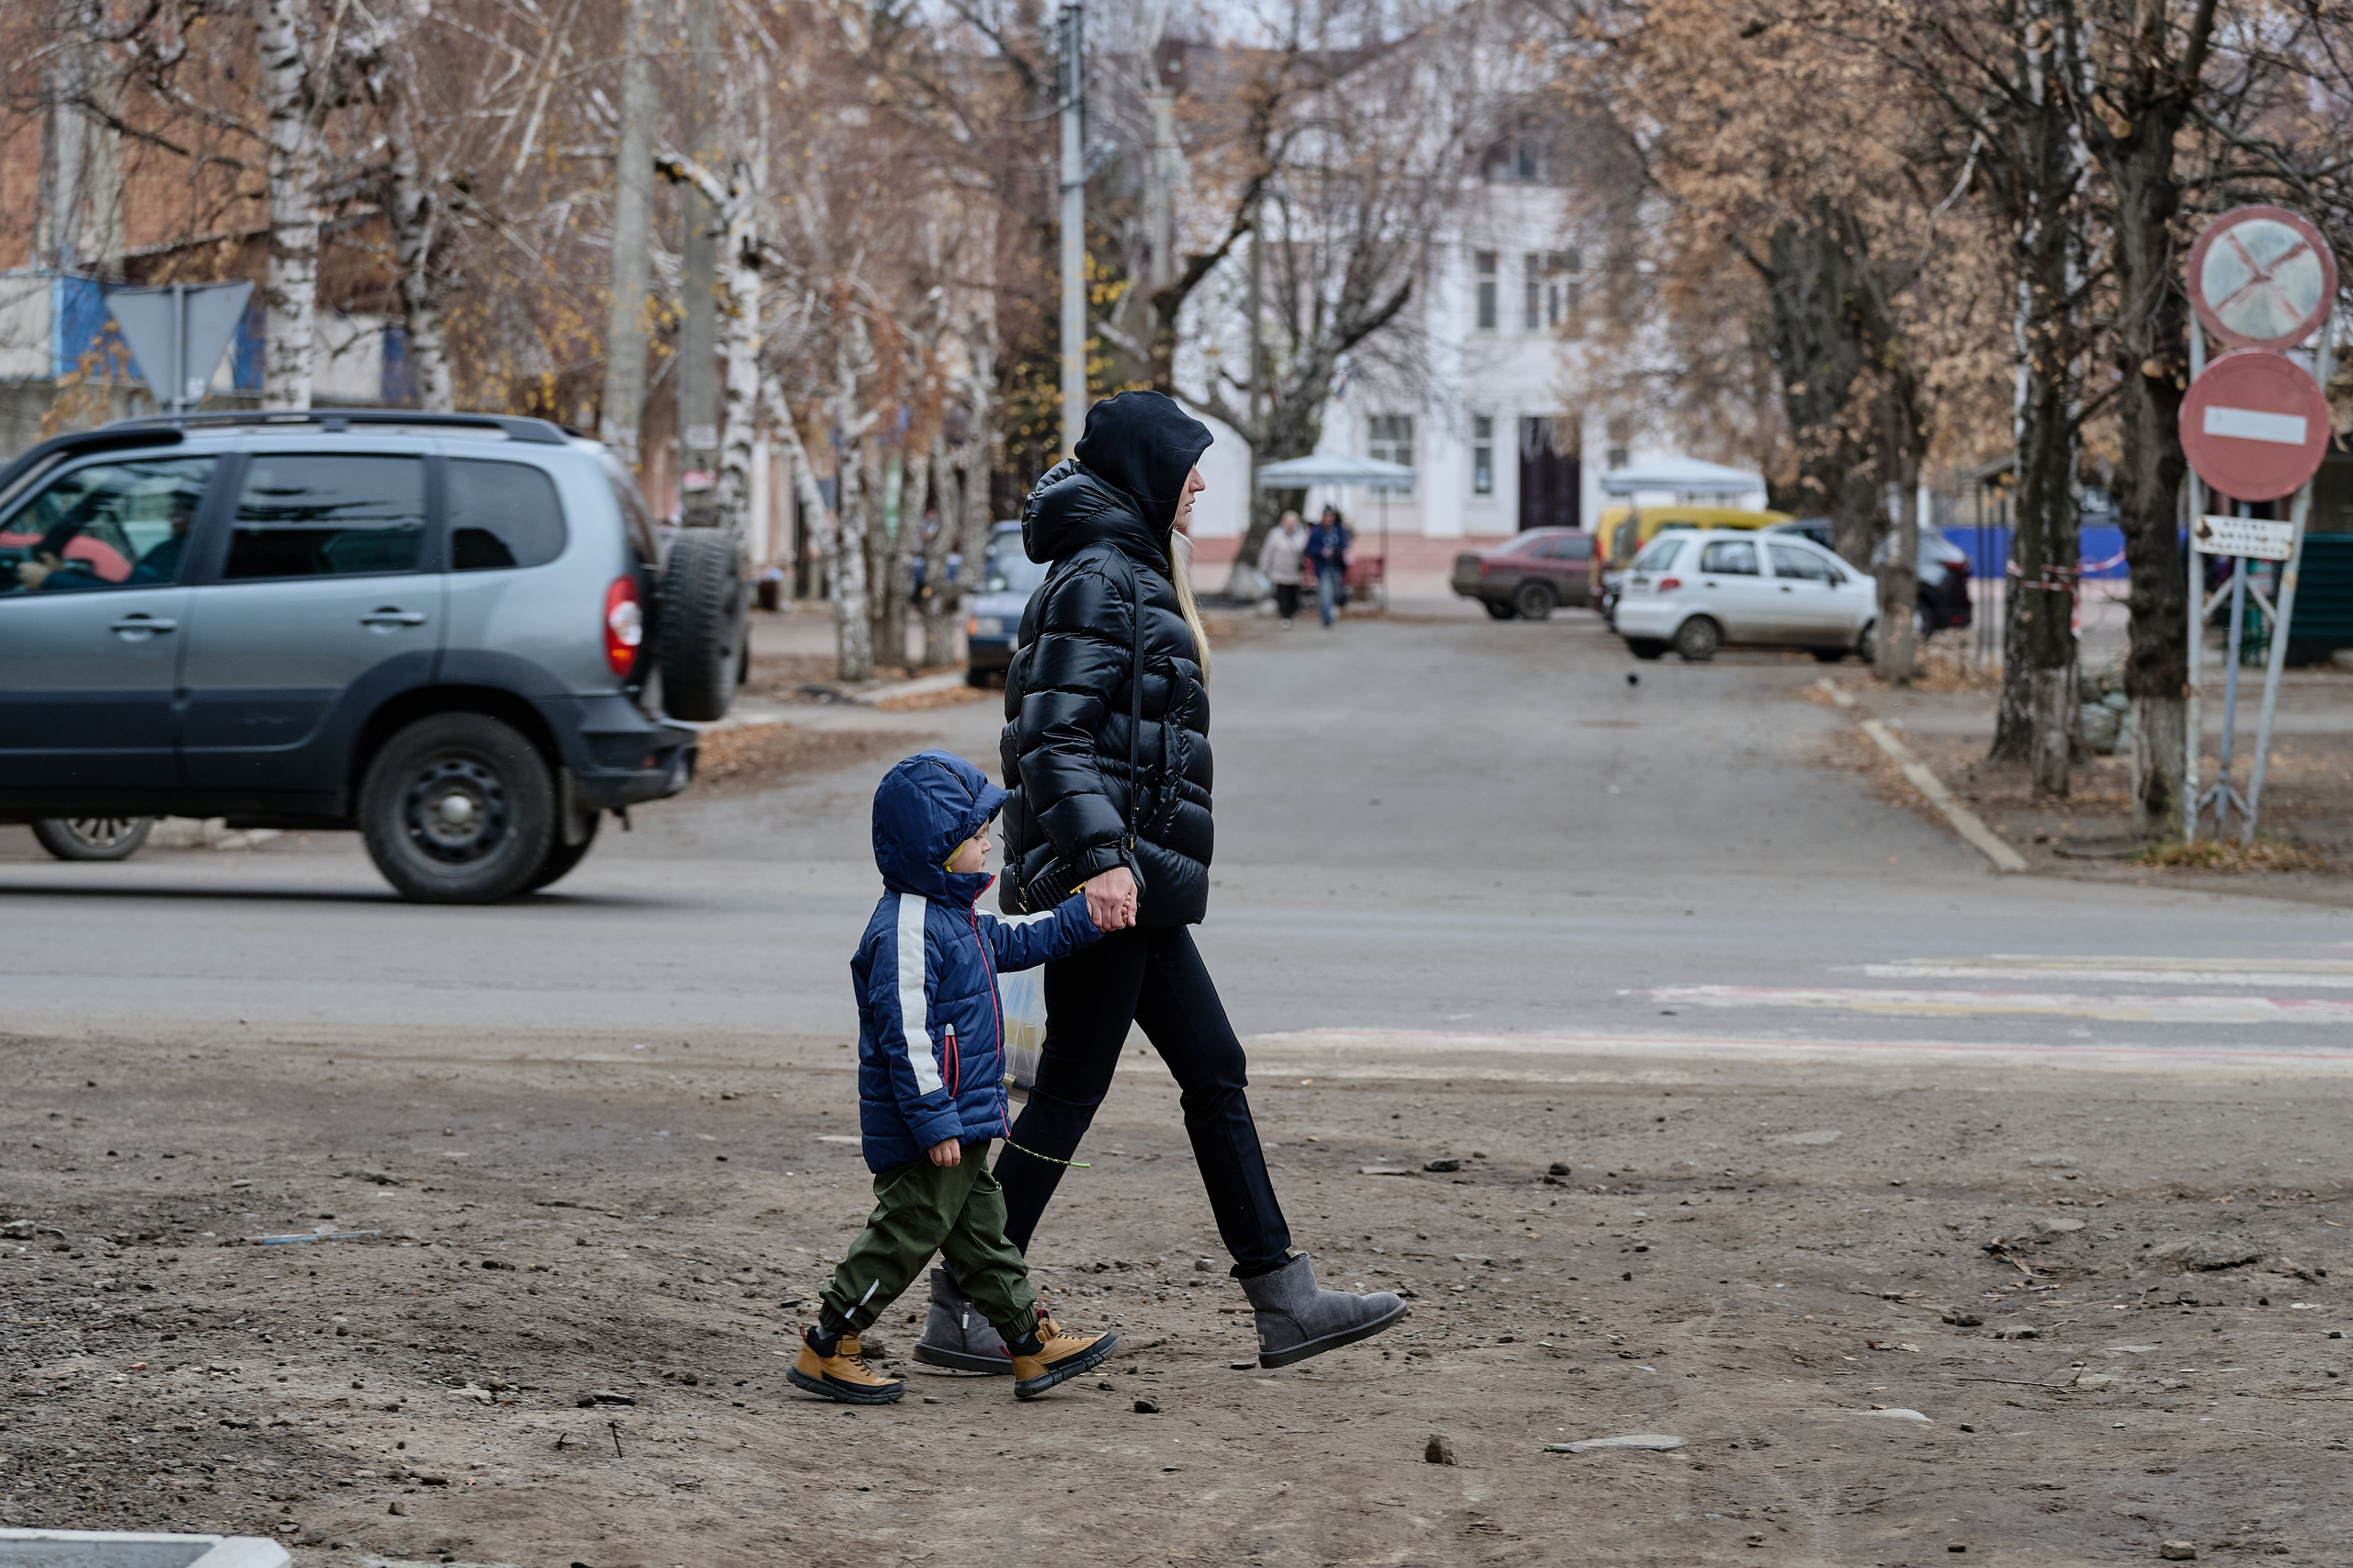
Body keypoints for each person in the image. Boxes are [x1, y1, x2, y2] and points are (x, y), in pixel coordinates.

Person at [915, 391, 1404, 1377]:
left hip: (1136, 878)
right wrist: (1099, 861)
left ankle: (1283, 1297)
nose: (1202, 483)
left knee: (1212, 1067)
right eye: (1190, 465)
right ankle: (965, 1295)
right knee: (1067, 1094)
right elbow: (1048, 737)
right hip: (1110, 881)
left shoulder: (1130, 566)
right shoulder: (1100, 576)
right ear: (1146, 469)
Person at [790, 750, 1120, 1405]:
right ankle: (830, 1343)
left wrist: (1084, 916)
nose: (986, 843)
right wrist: (935, 1121)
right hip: (930, 1126)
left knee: (983, 1235)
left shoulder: (954, 918)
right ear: (934, 847)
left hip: (961, 1120)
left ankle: (1028, 1344)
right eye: (975, 837)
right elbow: (904, 1037)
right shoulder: (907, 929)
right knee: (907, 1232)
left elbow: (1018, 941)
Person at [1256, 510, 1308, 627]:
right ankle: (1285, 616)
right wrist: (1264, 567)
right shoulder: (1275, 535)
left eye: (1293, 522)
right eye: (1288, 522)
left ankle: (1291, 613)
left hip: (1294, 572)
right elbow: (1267, 552)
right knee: (1282, 594)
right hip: (1279, 571)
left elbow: (1304, 553)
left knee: (1293, 595)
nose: (1290, 525)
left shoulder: (1301, 535)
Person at [1303, 506, 1351, 628]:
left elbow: (1343, 545)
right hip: (1323, 567)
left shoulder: (1339, 531)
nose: (1329, 519)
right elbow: (1309, 549)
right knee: (1325, 592)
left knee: (1335, 592)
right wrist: (1321, 551)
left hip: (1336, 566)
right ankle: (1327, 619)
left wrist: (1336, 552)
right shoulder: (1317, 531)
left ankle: (1333, 608)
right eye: (1327, 516)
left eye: (1331, 516)